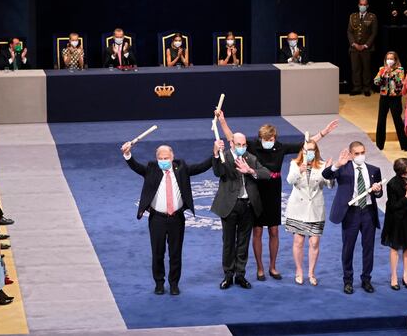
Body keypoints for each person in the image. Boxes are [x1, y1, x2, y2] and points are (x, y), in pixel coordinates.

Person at [215, 111, 338, 281]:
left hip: (273, 191)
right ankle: (260, 268)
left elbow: (304, 144)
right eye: (266, 139)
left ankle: (272, 267)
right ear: (260, 138)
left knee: (274, 231)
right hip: (257, 190)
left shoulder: (280, 147)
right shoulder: (253, 146)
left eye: (271, 139)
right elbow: (232, 138)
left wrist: (324, 132)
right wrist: (222, 121)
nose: (269, 142)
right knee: (257, 231)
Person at [121, 141, 215, 296]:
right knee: (158, 253)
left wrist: (215, 154)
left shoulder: (182, 168)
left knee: (175, 253)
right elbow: (136, 167)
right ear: (157, 159)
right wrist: (127, 154)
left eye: (166, 158)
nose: (163, 161)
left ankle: (174, 284)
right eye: (161, 158)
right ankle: (159, 283)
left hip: (176, 218)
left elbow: (201, 167)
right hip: (157, 219)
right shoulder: (152, 169)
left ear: (172, 157)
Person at [322, 141, 383, 294]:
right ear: (350, 154)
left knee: (368, 247)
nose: (360, 156)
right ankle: (348, 281)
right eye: (357, 153)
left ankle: (366, 279)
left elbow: (379, 193)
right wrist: (337, 164)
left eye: (362, 152)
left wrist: (377, 190)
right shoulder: (343, 168)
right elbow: (326, 174)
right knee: (348, 248)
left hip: (368, 212)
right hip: (351, 213)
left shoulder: (374, 170)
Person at [211, 134, 271, 290]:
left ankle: (240, 275)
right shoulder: (224, 157)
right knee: (228, 242)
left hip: (247, 206)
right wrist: (216, 153)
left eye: (244, 144)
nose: (242, 147)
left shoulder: (250, 158)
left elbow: (266, 173)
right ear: (231, 143)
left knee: (243, 242)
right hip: (229, 206)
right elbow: (217, 172)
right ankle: (228, 275)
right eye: (239, 144)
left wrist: (250, 170)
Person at [284, 140, 333, 286]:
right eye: (307, 150)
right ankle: (299, 271)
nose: (310, 153)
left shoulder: (322, 165)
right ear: (302, 151)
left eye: (312, 150)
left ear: (316, 151)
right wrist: (300, 170)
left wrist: (330, 172)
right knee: (298, 241)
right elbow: (289, 180)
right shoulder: (295, 164)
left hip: (315, 209)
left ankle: (311, 273)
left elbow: (330, 185)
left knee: (314, 242)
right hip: (298, 209)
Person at [381, 158, 407, 290]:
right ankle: (394, 277)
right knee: (395, 248)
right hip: (396, 219)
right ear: (402, 174)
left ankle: (406, 276)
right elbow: (394, 206)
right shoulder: (392, 185)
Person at [374, 51, 407, 151]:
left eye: (391, 58)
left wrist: (391, 74)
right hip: (384, 97)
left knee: (397, 120)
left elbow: (400, 83)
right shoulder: (382, 69)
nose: (389, 60)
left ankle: (405, 145)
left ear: (395, 60)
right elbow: (376, 82)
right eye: (388, 58)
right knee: (381, 120)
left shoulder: (400, 70)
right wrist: (383, 74)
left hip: (395, 98)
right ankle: (379, 145)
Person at [347, 0, 378, 96]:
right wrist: (354, 43)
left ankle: (366, 88)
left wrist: (365, 45)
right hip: (354, 48)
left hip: (367, 48)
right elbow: (349, 32)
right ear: (358, 5)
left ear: (367, 6)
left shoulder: (372, 17)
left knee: (366, 69)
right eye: (361, 4)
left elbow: (374, 33)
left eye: (364, 5)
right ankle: (357, 87)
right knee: (355, 68)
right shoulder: (353, 16)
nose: (362, 6)